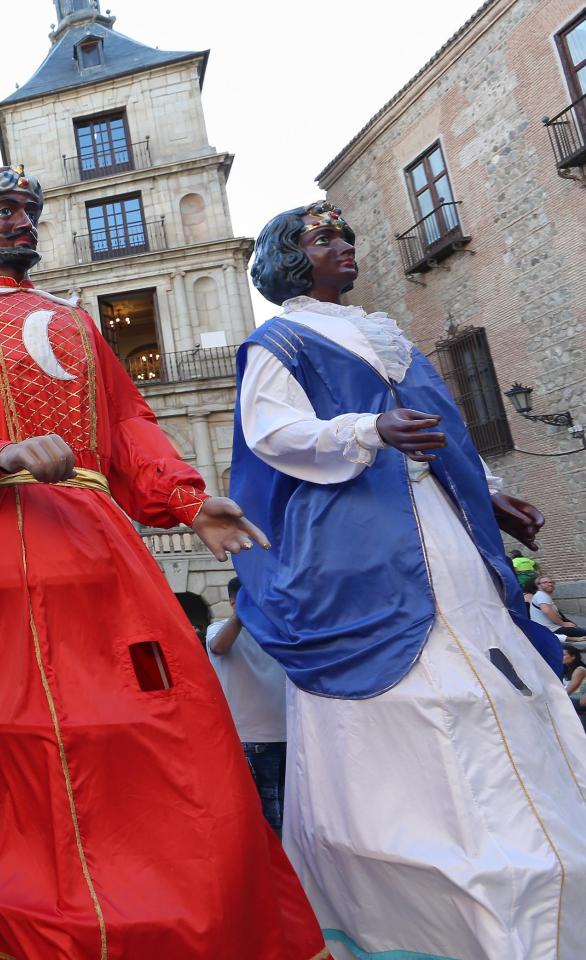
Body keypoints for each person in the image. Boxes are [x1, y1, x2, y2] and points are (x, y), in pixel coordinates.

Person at [0, 165, 324, 958]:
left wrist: (191, 500)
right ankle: (54, 907)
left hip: (102, 534)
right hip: (11, 536)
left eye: (28, 212)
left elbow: (127, 427)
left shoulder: (80, 324)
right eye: (2, 212)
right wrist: (2, 450)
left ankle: (171, 896)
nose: (21, 223)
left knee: (169, 712)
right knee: (33, 726)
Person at [231, 200, 586, 959]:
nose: (343, 246)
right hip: (359, 543)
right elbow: (273, 434)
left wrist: (487, 495)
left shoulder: (389, 334)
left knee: (493, 678)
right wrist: (368, 430)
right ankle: (416, 904)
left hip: (443, 528)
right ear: (290, 259)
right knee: (413, 695)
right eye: (322, 238)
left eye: (346, 234)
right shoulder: (279, 340)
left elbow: (444, 431)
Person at [203, 576, 288, 833]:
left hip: (290, 736)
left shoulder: (278, 632)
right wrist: (242, 616)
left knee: (290, 817)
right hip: (251, 741)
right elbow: (218, 647)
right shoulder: (217, 629)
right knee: (267, 822)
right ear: (232, 602)